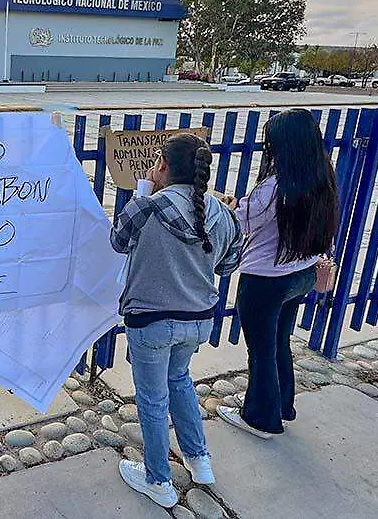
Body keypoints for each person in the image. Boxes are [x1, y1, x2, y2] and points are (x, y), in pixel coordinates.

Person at [110, 133, 243, 508]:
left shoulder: (148, 207)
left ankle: (158, 480)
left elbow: (118, 241)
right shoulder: (222, 213)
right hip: (198, 318)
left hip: (152, 319)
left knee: (152, 400)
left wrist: (142, 192)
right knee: (180, 381)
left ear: (164, 166)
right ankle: (199, 461)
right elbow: (230, 263)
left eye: (156, 161)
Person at [218, 109, 339, 439]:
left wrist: (230, 205)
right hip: (300, 273)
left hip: (265, 282)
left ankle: (261, 418)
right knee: (278, 341)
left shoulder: (272, 187)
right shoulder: (321, 177)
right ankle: (283, 403)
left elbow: (239, 222)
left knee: (260, 350)